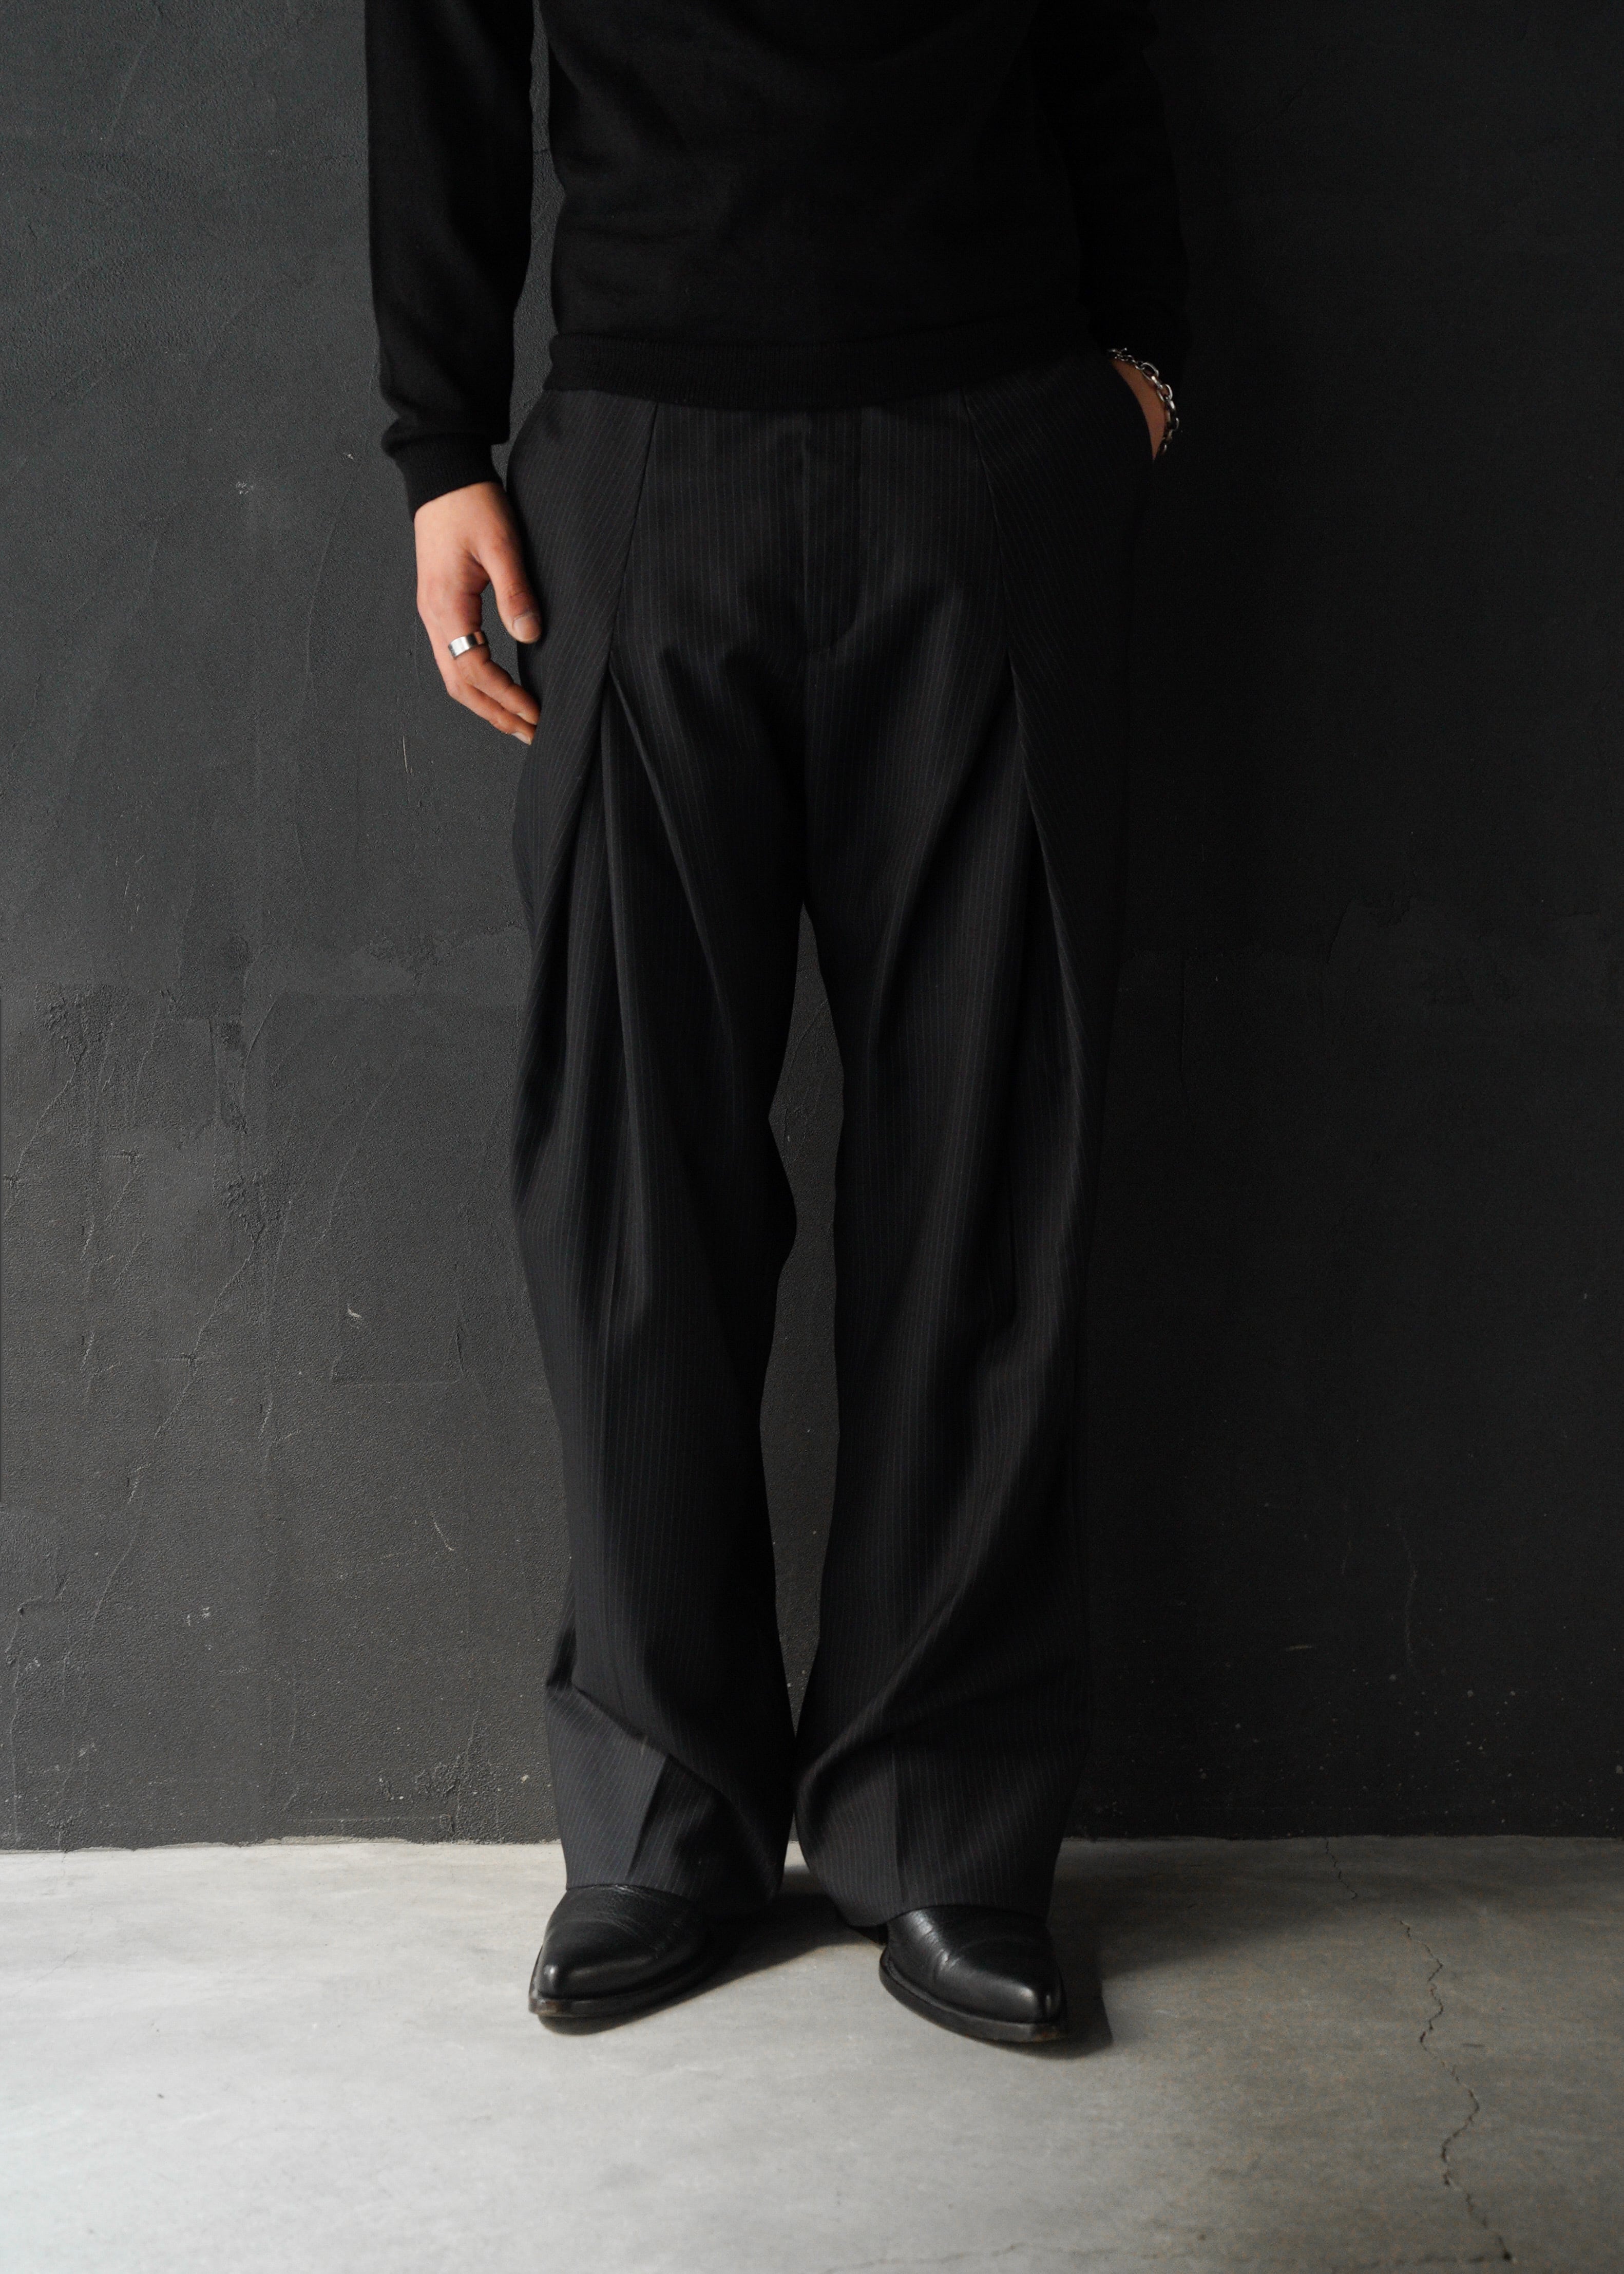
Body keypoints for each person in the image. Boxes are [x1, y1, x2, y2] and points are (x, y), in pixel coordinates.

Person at [365, 0, 1188, 2044]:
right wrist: (436, 440)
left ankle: (941, 1818)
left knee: (989, 1147)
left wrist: (1146, 362)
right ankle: (662, 1816)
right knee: (625, 1165)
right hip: (641, 448)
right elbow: (438, 37)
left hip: (991, 432)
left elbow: (1105, 29)